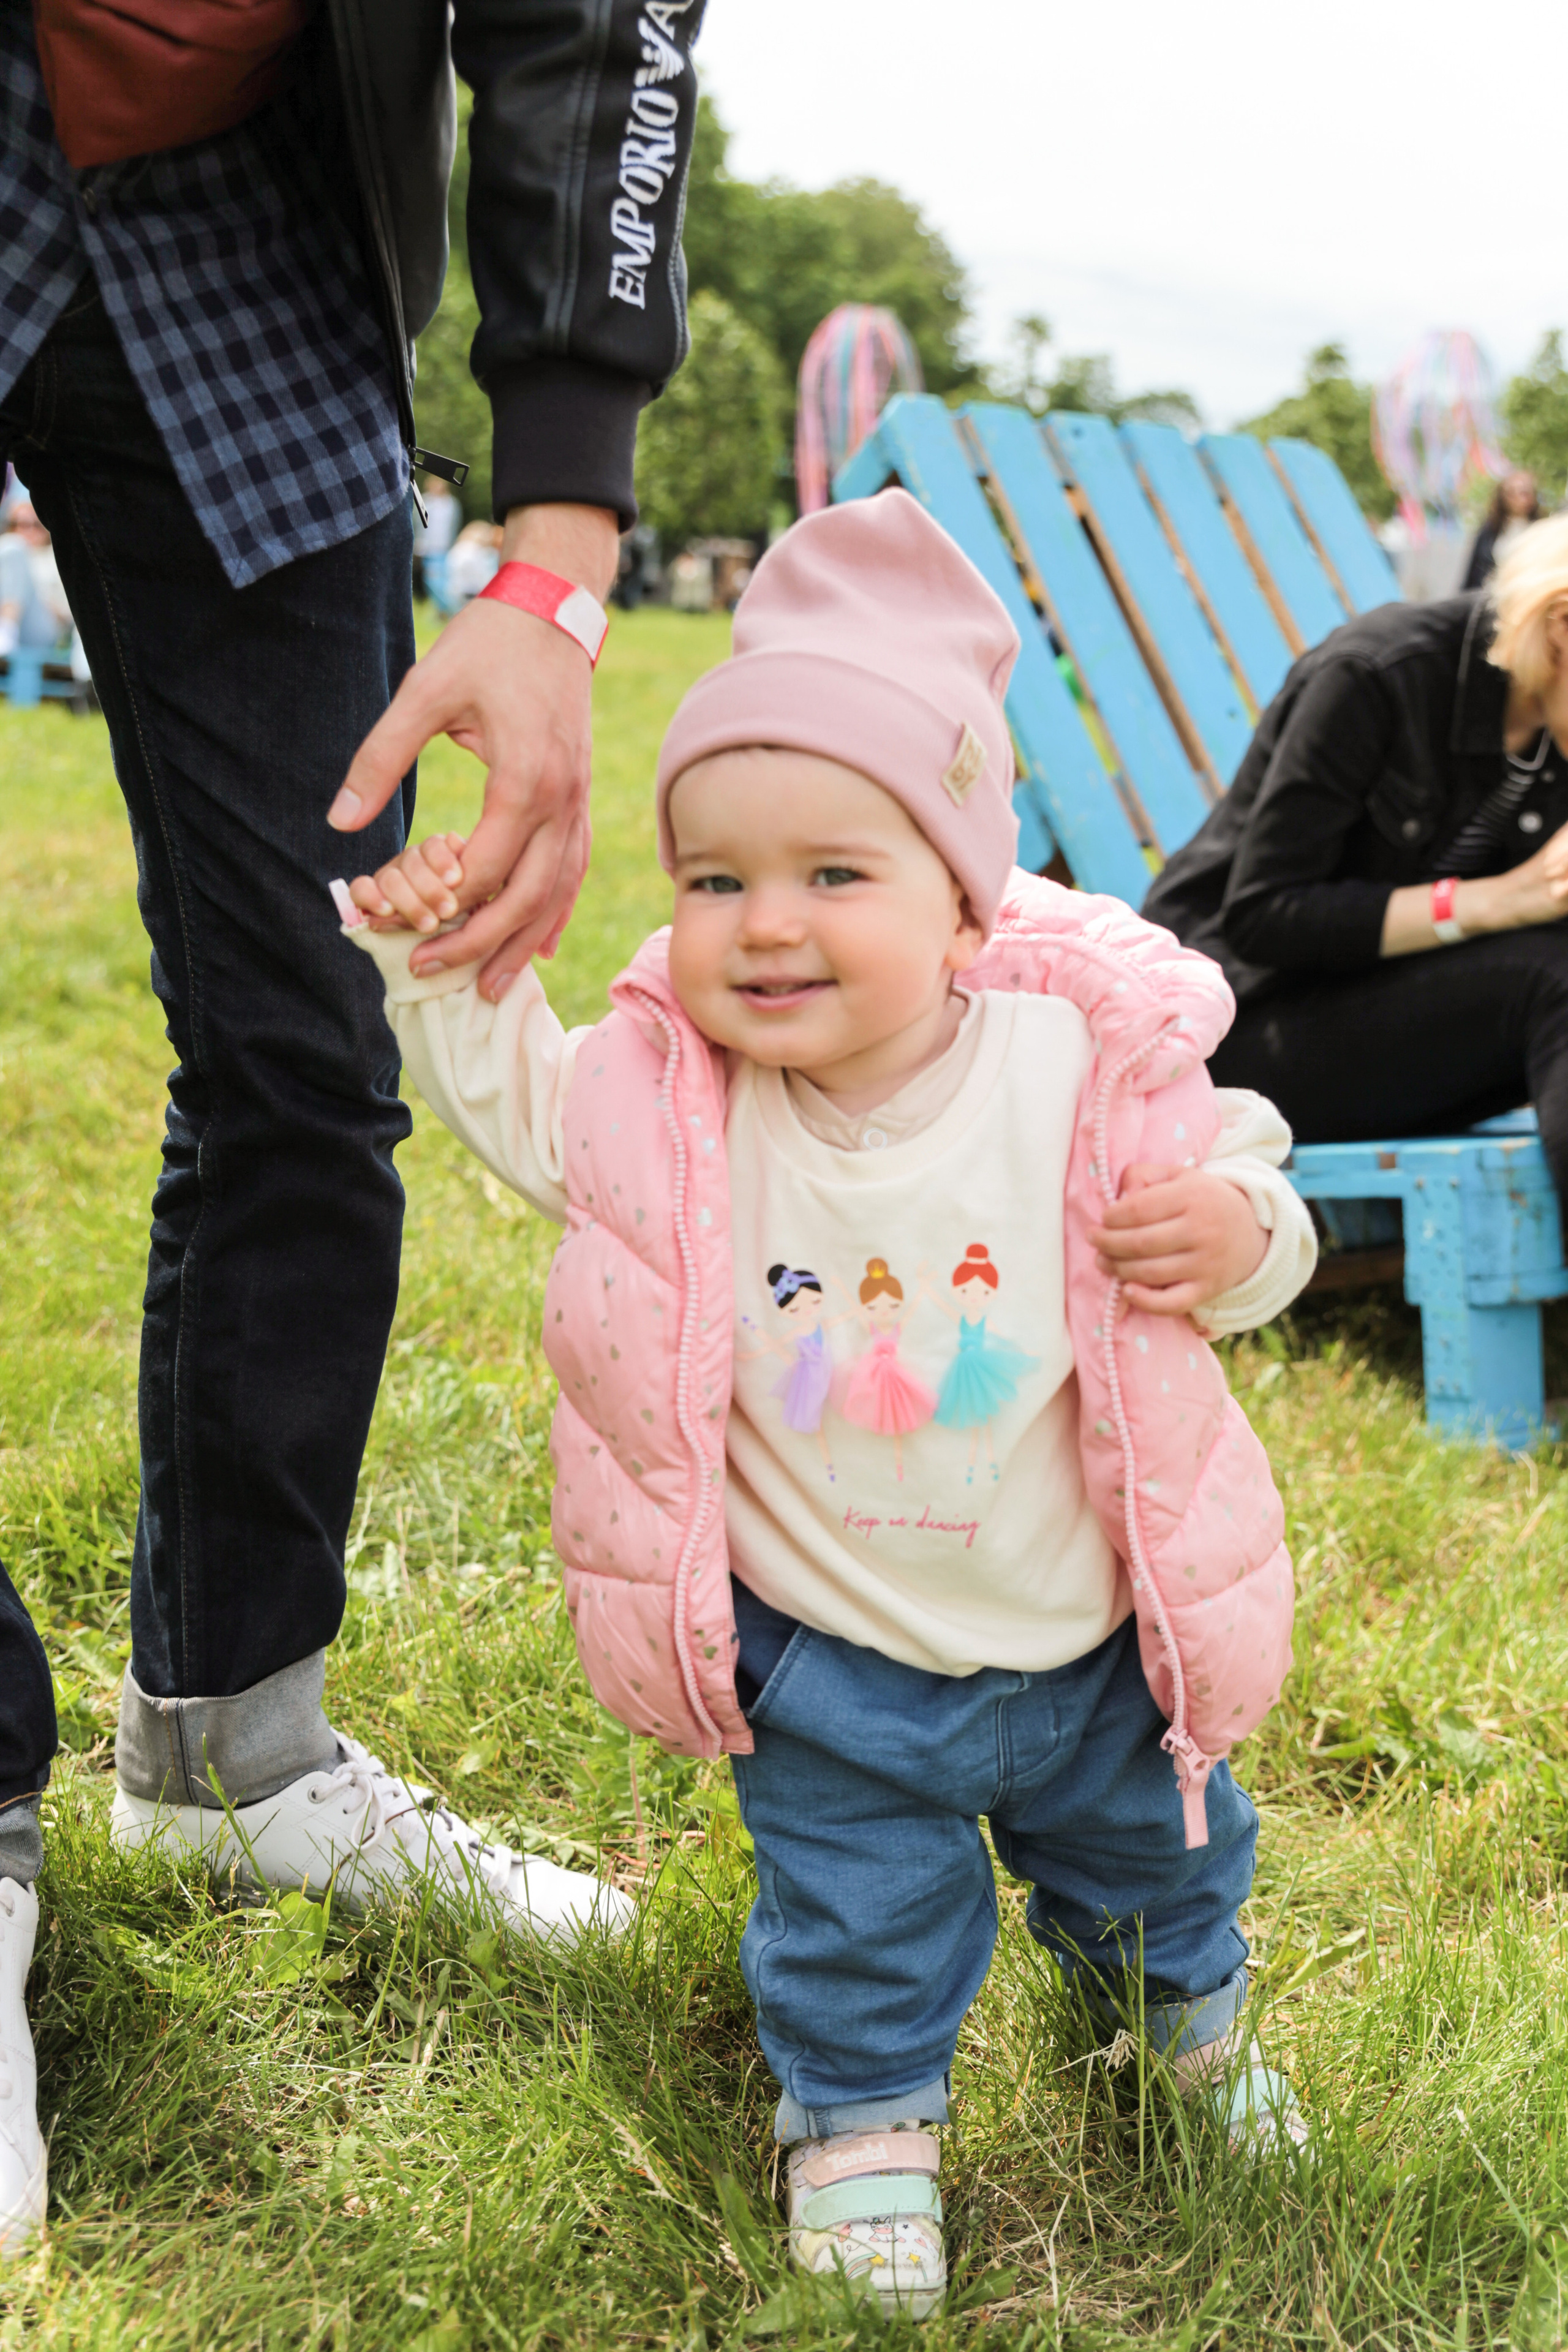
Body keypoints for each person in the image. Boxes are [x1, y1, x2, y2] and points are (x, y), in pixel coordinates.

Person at [338, 493, 1319, 2319]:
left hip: (1090, 1632)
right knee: (852, 1917)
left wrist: (1242, 1227)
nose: (761, 925)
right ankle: (863, 2126)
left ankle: (1173, 2047)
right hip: (833, 1660)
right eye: (714, 878)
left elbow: (1248, 1175)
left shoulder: (1072, 1070)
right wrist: (439, 956)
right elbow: (526, 1113)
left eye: (829, 876)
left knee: (1159, 1866)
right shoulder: (675, 1105)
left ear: (965, 904)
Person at [0, 0, 704, 2250]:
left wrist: (551, 556)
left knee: (315, 1034)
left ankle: (232, 1749)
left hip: (239, 225)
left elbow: (597, 27)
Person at [1142, 518, 1568, 1205]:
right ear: (1560, 624)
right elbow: (1264, 915)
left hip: (1389, 1026)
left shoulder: (1553, 724)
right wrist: (1503, 899)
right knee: (1557, 979)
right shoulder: (1379, 673)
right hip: (1235, 1035)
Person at [0, 499, 66, 656]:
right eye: (21, 524)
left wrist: (29, 595)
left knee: (14, 547)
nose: (29, 530)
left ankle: (7, 629)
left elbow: (66, 616)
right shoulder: (7, 551)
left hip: (41, 629)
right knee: (13, 548)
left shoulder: (56, 559)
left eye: (36, 525)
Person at [1463, 469, 1545, 590]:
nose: (1521, 498)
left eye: (1525, 492)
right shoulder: (1490, 531)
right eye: (1513, 493)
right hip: (1489, 596)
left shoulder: (1542, 531)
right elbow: (1473, 572)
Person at [410, 472, 460, 603]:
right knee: (431, 580)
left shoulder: (451, 504)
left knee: (443, 580)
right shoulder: (425, 501)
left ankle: (445, 607)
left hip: (444, 547)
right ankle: (444, 606)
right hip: (427, 547)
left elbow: (454, 526)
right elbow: (417, 524)